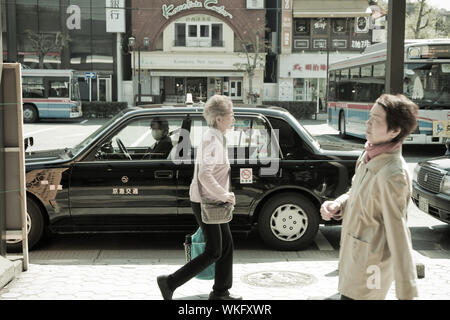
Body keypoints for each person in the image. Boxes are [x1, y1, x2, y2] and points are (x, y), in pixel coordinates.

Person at [320, 93, 419, 300]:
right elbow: (356, 193)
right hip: (352, 260)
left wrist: (408, 294)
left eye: (375, 120)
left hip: (370, 272)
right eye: (369, 116)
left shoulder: (393, 174)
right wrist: (339, 204)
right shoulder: (368, 155)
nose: (368, 123)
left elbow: (399, 236)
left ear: (395, 130)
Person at [157, 95, 241, 300]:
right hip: (207, 201)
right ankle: (170, 282)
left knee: (226, 245)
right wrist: (225, 195)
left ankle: (221, 292)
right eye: (231, 115)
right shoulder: (212, 139)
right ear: (219, 118)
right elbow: (205, 174)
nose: (234, 119)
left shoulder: (216, 136)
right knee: (214, 250)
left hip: (212, 201)